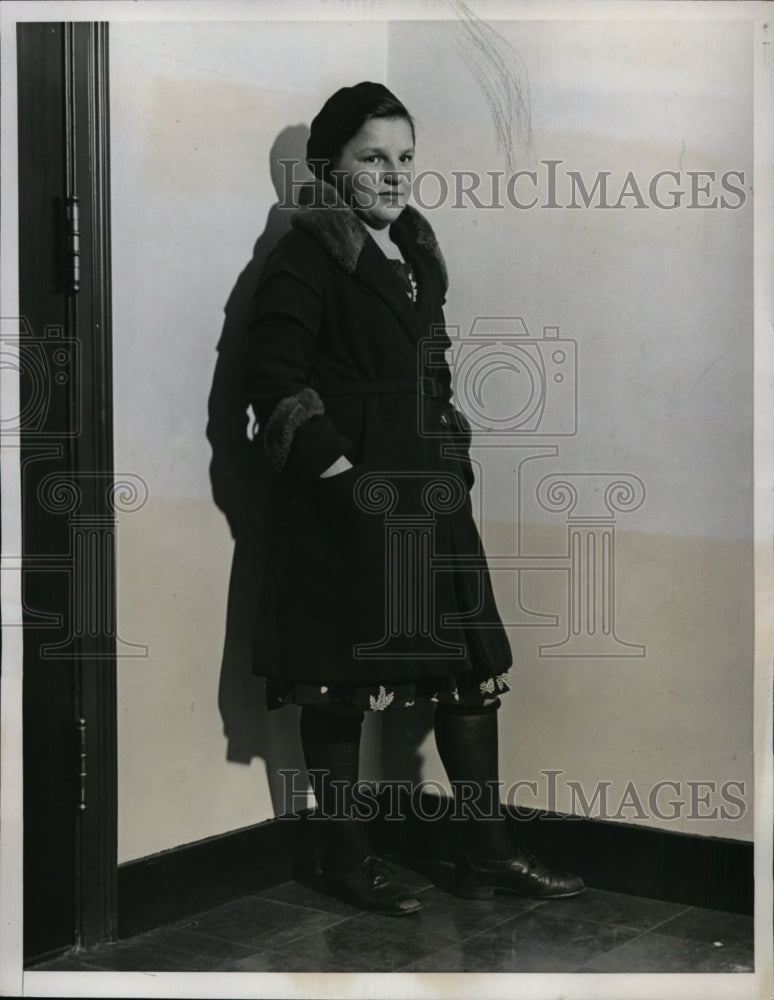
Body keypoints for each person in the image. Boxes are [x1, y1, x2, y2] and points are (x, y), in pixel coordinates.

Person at [243, 82, 584, 915]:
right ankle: (347, 862)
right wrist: (343, 482)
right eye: (373, 158)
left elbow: (430, 371)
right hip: (345, 510)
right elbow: (274, 382)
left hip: (427, 493)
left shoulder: (415, 257)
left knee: (468, 673)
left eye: (404, 158)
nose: (394, 176)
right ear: (328, 169)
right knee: (337, 681)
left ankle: (485, 853)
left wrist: (453, 451)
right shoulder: (303, 255)